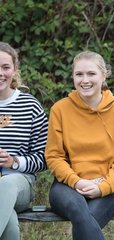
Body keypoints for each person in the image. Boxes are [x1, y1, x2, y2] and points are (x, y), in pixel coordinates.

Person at [45, 51, 114, 240]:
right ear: (73, 77)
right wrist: (76, 181)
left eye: (91, 74)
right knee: (79, 211)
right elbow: (54, 156)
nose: (85, 80)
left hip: (107, 187)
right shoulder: (60, 109)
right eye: (79, 74)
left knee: (87, 222)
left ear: (104, 75)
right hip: (66, 186)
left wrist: (104, 186)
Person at [0, 42, 48, 240]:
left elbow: (44, 158)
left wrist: (14, 161)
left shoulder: (30, 106)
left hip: (19, 183)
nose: (0, 73)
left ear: (14, 70)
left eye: (5, 67)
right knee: (8, 219)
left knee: (6, 186)